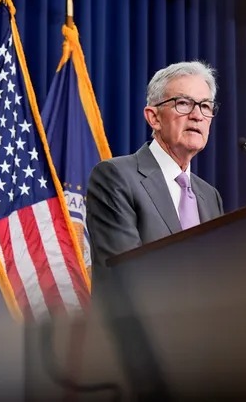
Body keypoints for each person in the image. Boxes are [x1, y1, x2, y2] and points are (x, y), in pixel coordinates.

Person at [86, 61, 224, 272]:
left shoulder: (210, 196)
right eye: (184, 103)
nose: (197, 115)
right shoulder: (115, 178)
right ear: (154, 118)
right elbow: (128, 275)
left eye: (205, 106)